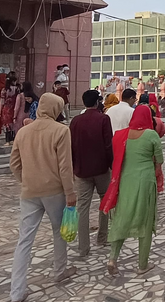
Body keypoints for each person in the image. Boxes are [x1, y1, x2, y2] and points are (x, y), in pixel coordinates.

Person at [9, 93, 76, 302]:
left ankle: (16, 292)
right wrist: (70, 193)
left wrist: (26, 180)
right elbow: (65, 167)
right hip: (54, 191)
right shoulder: (61, 131)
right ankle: (59, 271)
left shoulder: (23, 132)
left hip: (29, 192)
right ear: (56, 109)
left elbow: (14, 163)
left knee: (24, 240)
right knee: (59, 232)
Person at [101, 105, 163, 276]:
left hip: (126, 181)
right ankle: (142, 265)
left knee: (122, 217)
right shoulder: (151, 135)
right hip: (145, 181)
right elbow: (159, 162)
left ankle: (113, 258)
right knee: (145, 221)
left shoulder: (122, 135)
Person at [70, 90, 113, 258]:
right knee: (105, 202)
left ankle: (83, 247)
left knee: (82, 208)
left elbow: (71, 145)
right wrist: (111, 165)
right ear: (97, 102)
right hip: (101, 168)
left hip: (81, 170)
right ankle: (102, 237)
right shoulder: (103, 119)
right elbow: (108, 145)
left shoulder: (75, 121)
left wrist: (73, 166)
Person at [1, 74, 19, 145]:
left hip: (6, 109)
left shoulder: (4, 90)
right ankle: (13, 139)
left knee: (6, 124)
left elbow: (1, 101)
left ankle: (7, 141)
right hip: (14, 108)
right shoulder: (17, 89)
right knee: (13, 124)